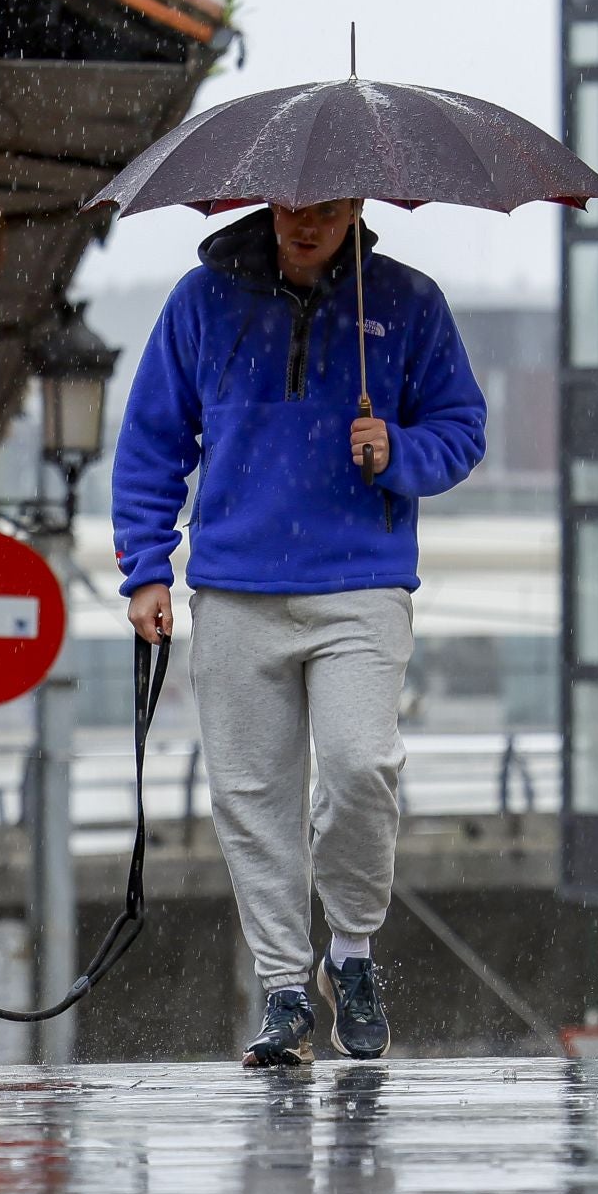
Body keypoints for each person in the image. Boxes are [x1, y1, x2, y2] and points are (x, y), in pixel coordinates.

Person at [111, 198, 487, 1065]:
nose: (308, 222)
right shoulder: (202, 301)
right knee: (250, 797)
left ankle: (349, 954)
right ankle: (284, 990)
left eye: (327, 207)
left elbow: (462, 430)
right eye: (293, 207)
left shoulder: (408, 303)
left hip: (362, 583)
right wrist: (147, 570)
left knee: (362, 767)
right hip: (236, 587)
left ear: (357, 204)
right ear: (268, 202)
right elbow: (153, 441)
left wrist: (397, 450)